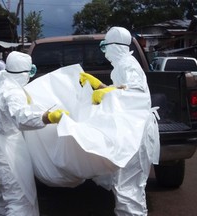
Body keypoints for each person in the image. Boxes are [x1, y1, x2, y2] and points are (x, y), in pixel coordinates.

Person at [0, 51, 69, 216]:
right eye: (30, 72)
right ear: (25, 73)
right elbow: (21, 117)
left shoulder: (0, 78)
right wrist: (48, 117)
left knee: (2, 198)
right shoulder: (12, 92)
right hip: (2, 153)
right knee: (18, 201)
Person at [80, 26, 160, 215]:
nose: (105, 51)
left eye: (104, 46)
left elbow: (135, 94)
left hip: (136, 132)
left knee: (128, 190)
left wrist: (107, 93)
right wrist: (100, 85)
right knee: (125, 187)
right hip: (130, 129)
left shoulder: (127, 65)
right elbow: (123, 91)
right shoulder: (122, 66)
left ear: (115, 46)